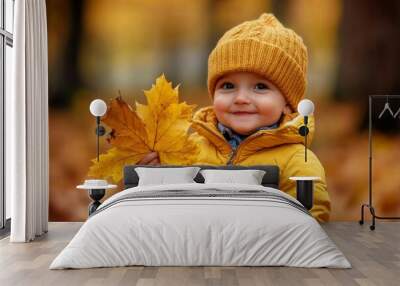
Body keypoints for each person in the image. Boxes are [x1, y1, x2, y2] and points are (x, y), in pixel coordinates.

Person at [138, 13, 330, 222]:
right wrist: (155, 177)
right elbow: (165, 210)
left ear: (287, 103)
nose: (241, 98)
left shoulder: (296, 160)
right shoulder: (187, 149)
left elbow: (314, 217)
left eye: (260, 87)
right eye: (228, 86)